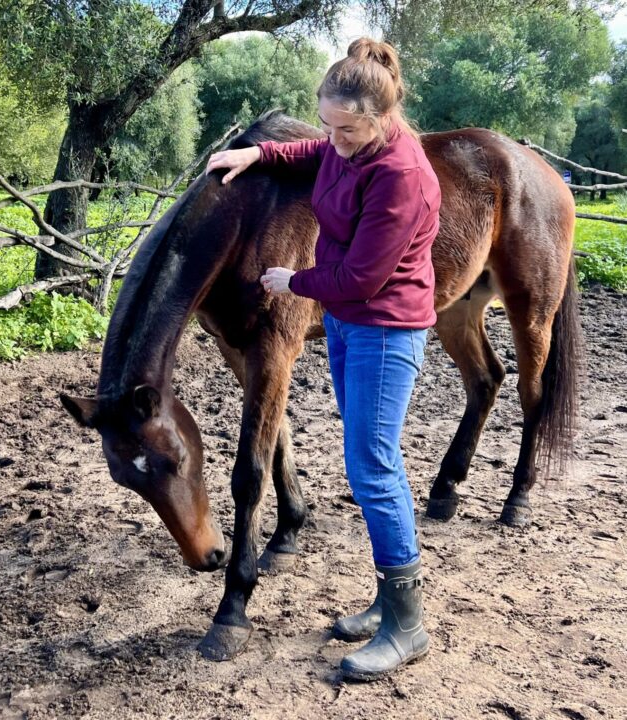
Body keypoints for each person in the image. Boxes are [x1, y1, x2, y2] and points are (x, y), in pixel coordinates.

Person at [205, 37, 441, 681]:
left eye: (343, 128)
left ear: (379, 121)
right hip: (345, 324)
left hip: (384, 327)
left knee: (372, 467)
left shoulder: (403, 175)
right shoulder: (346, 144)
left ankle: (407, 622)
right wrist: (261, 152)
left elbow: (362, 277)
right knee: (365, 458)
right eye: (327, 123)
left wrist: (292, 282)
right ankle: (388, 601)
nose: (330, 138)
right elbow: (312, 151)